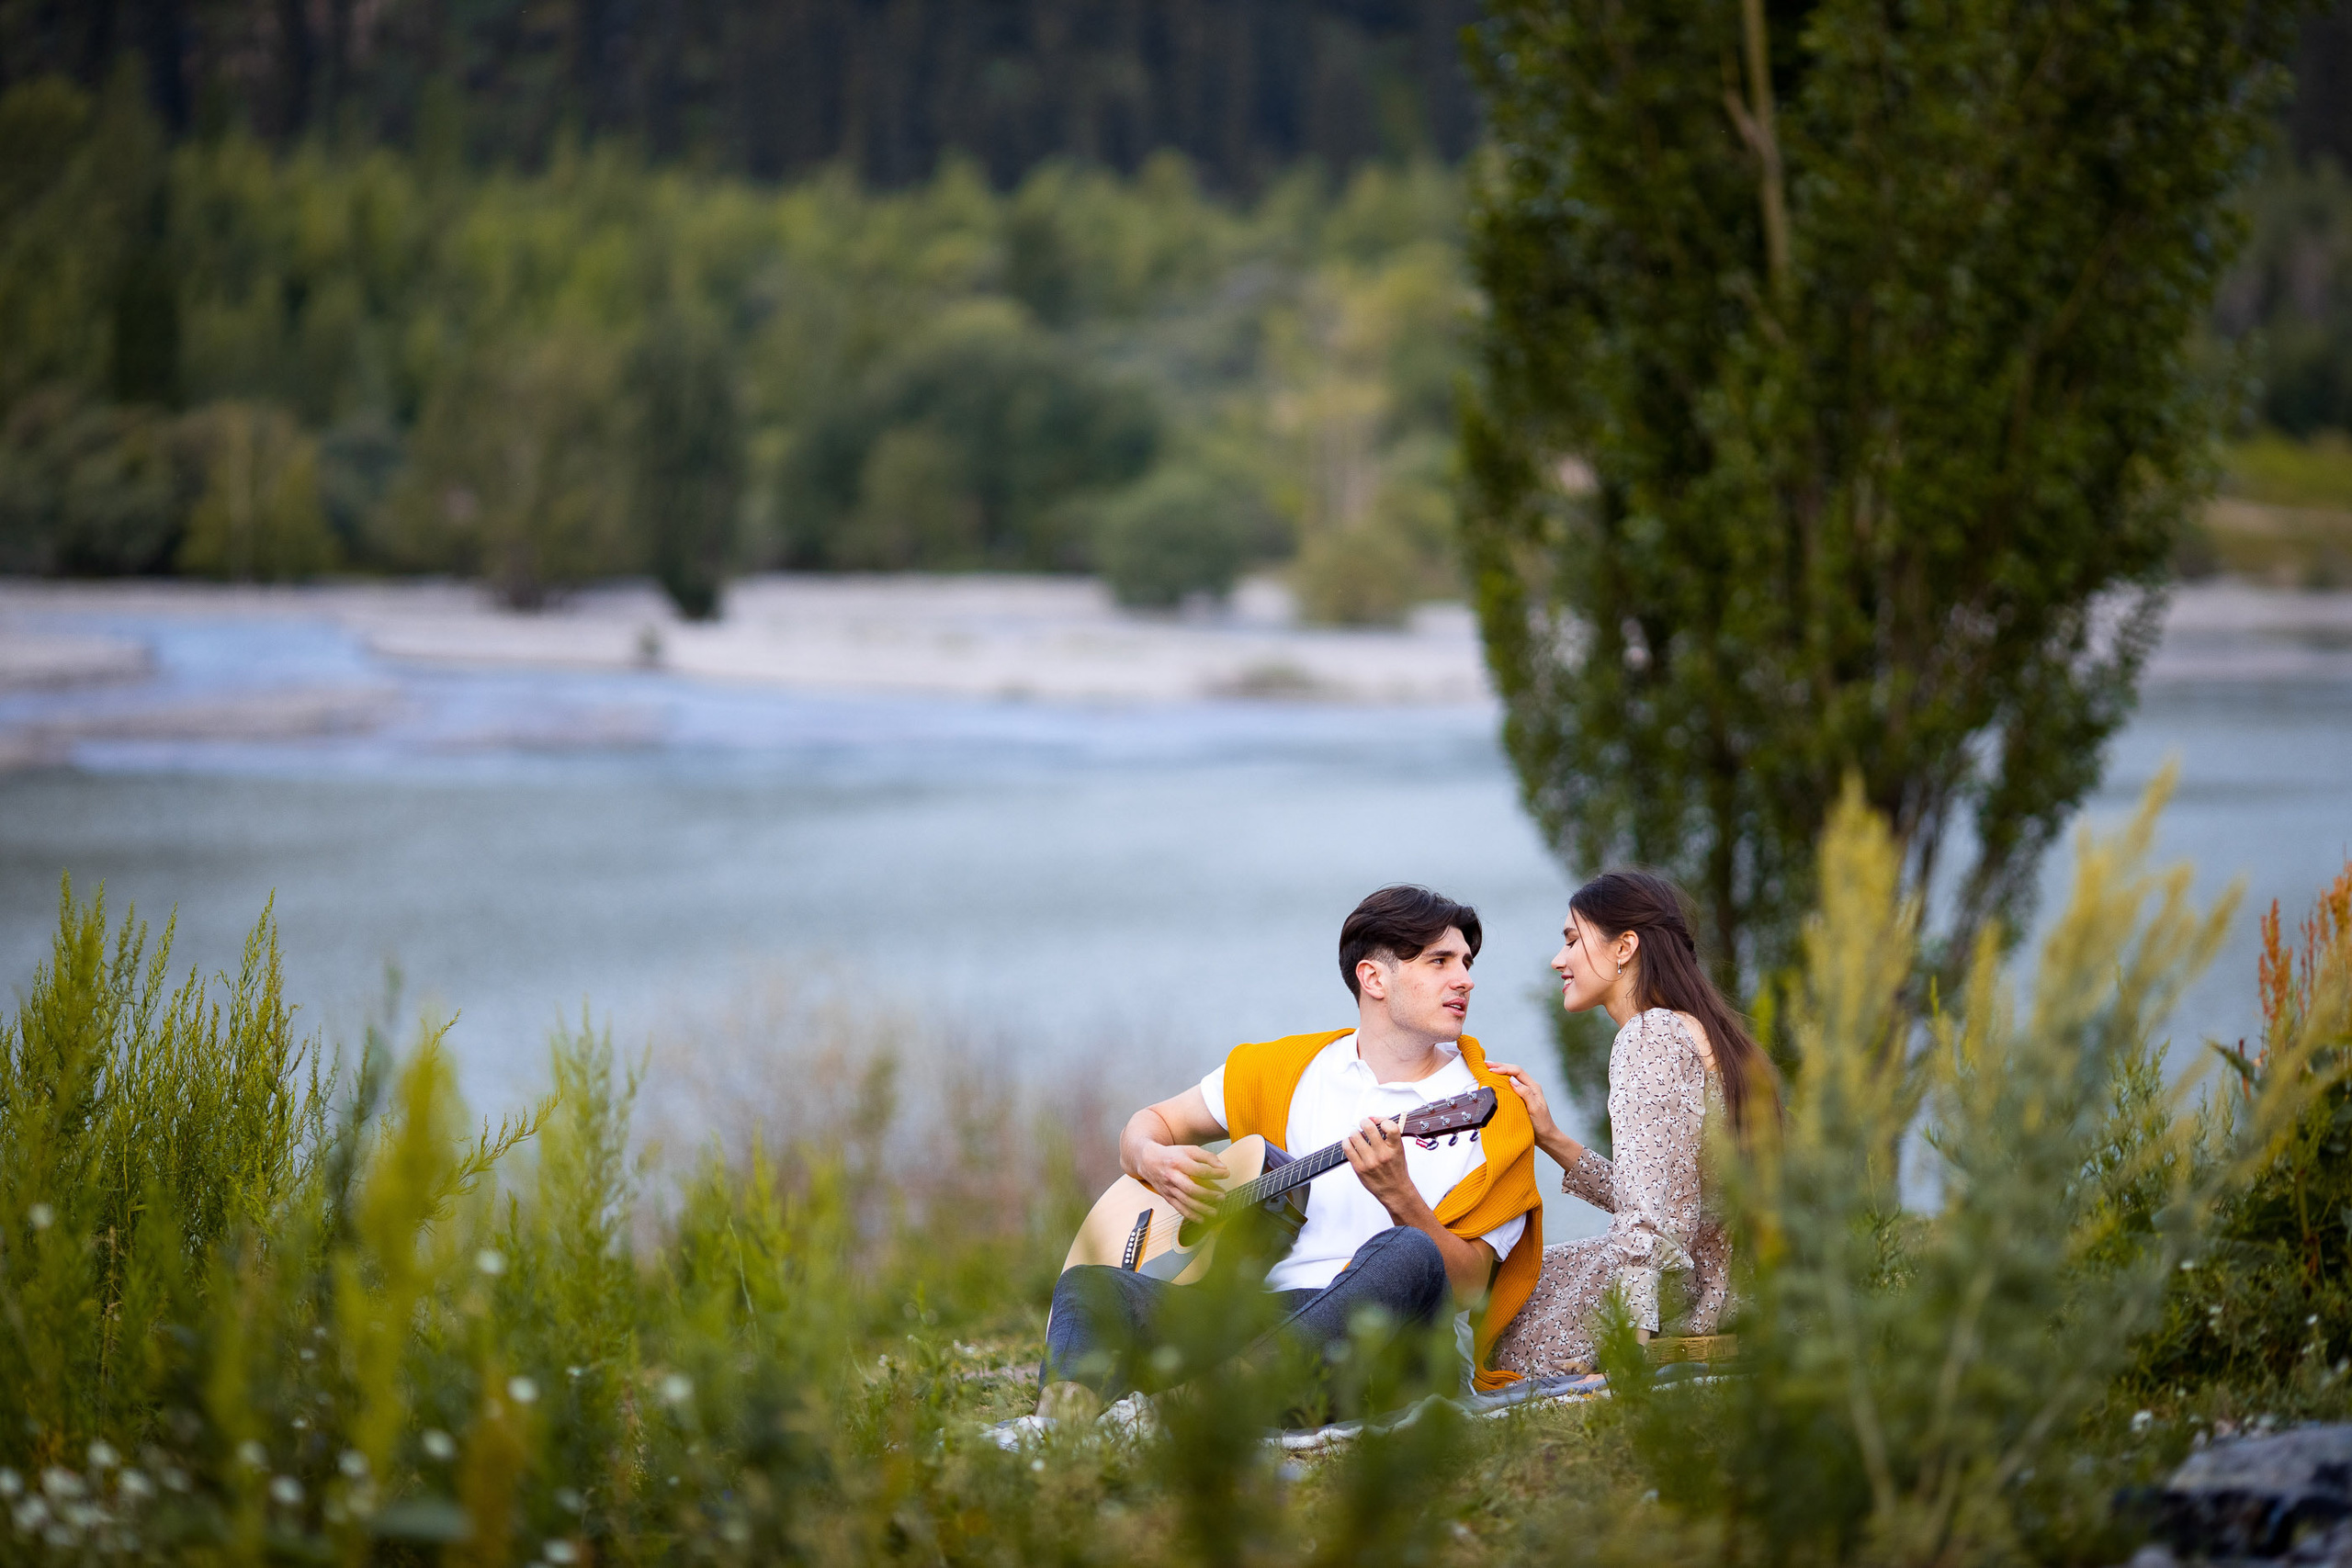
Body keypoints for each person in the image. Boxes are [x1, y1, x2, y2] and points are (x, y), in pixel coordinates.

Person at [1034, 886, 1544, 1424]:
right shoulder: (1284, 1069)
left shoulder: (1492, 1107)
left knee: (1407, 1251)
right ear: (1373, 978)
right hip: (1262, 1326)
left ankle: (1183, 1417)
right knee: (1089, 1284)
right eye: (1440, 962)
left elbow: (1466, 1288)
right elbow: (1148, 1125)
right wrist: (1152, 1159)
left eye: (1465, 963)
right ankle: (1060, 1427)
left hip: (1391, 1345)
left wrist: (1400, 1197)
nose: (1465, 979)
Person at [1485, 870, 1778, 1376]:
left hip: (1686, 1301)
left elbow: (1646, 1218)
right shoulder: (1699, 1031)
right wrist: (1550, 1136)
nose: (1558, 960)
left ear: (1624, 947)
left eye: (1572, 940)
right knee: (1536, 1275)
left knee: (1502, 1309)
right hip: (1731, 1286)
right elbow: (1674, 1195)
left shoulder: (1648, 1037)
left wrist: (1631, 1352)